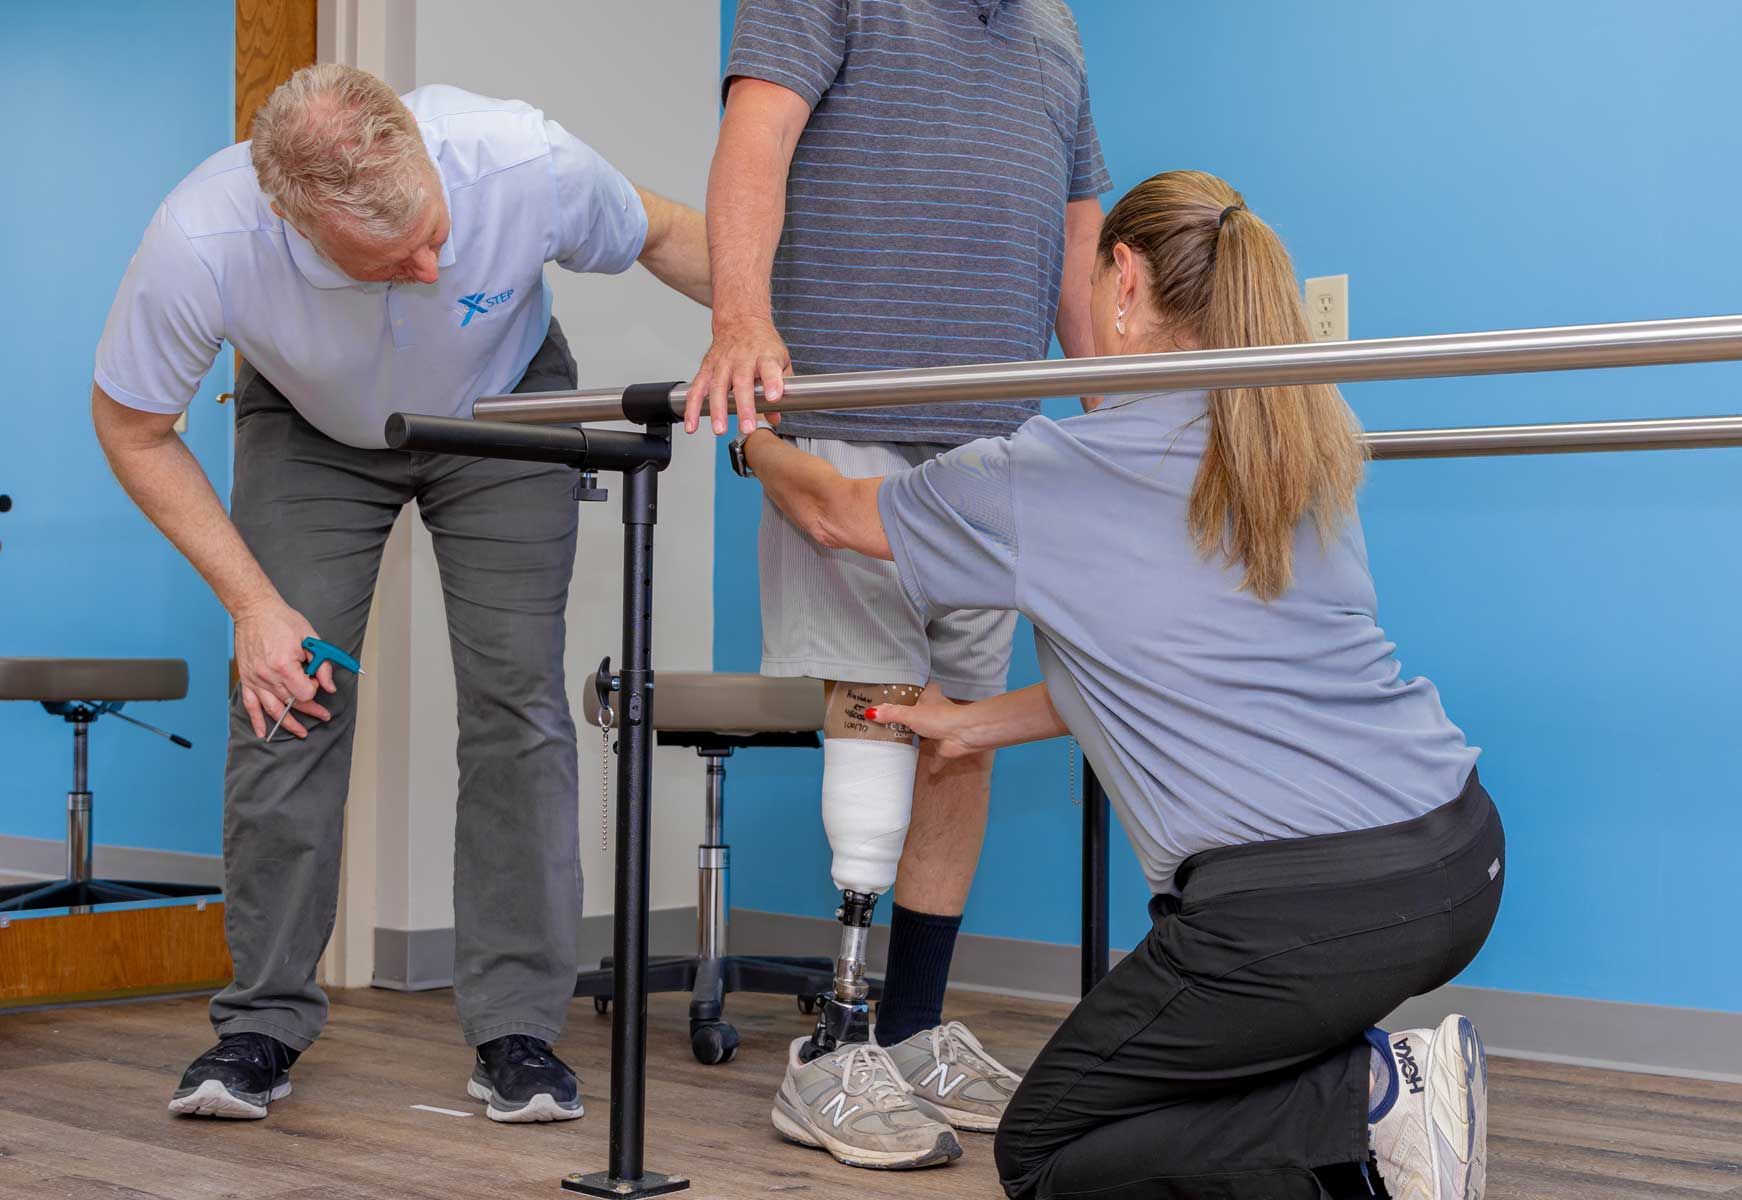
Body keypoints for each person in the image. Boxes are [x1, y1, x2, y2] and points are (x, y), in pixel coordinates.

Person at [735, 170, 1505, 1200]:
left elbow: (834, 511)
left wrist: (754, 435)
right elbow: (1167, 664)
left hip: (1297, 909)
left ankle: (1373, 1093)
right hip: (1456, 858)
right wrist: (974, 726)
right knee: (1203, 1106)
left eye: (1092, 286)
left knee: (1046, 1151)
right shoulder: (1291, 442)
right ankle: (1376, 1149)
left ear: (1127, 280)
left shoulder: (1053, 470)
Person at [91, 64, 709, 1125]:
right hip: (312, 427)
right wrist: (253, 606)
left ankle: (517, 1030)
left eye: (435, 233)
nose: (431, 265)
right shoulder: (205, 237)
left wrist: (755, 323)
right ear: (293, 220)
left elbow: (665, 231)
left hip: (504, 409)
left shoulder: (520, 159)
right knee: (287, 698)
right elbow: (133, 427)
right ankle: (260, 1023)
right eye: (392, 259)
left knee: (516, 702)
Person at [686, 0, 1111, 1166]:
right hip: (848, 415)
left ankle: (912, 1028)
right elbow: (757, 137)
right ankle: (834, 1047)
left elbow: (1076, 235)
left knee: (960, 734)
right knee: (875, 711)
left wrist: (1113, 412)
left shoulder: (1056, 27)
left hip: (995, 439)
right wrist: (741, 322)